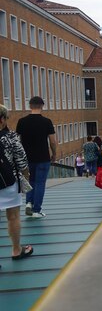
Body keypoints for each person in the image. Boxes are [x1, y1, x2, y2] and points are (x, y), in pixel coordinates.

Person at [0, 105, 34, 265]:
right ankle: (16, 250)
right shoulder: (10, 137)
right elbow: (21, 161)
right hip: (8, 182)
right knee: (12, 216)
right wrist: (25, 176)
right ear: (3, 120)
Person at [16, 96, 57, 218]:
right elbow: (53, 141)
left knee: (29, 181)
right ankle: (36, 210)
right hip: (43, 158)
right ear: (42, 106)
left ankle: (29, 202)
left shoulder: (21, 121)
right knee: (40, 183)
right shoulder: (47, 122)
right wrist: (54, 154)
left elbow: (16, 141)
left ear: (30, 106)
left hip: (26, 158)